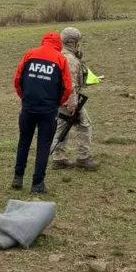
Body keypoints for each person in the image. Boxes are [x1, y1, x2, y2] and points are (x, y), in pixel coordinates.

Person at [12, 32, 72, 194]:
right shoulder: (60, 59)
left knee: (24, 142)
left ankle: (18, 177)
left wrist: (24, 97)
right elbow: (67, 87)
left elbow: (17, 79)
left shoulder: (30, 54)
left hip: (28, 107)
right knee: (43, 146)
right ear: (58, 44)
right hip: (48, 109)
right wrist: (57, 103)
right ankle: (37, 184)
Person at [51, 27, 99, 171]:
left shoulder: (59, 55)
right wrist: (72, 103)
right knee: (84, 125)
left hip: (58, 98)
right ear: (75, 42)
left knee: (61, 127)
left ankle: (58, 159)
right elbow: (70, 83)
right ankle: (83, 158)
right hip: (69, 99)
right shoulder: (70, 60)